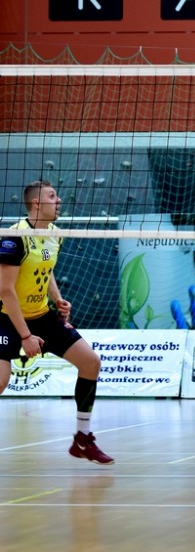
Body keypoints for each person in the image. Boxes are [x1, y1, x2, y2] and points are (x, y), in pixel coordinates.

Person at [0, 180, 113, 464]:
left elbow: (46, 268)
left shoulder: (55, 234)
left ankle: (82, 439)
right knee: (1, 380)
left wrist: (58, 299)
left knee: (90, 362)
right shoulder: (14, 237)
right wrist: (25, 336)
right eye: (53, 196)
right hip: (6, 316)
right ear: (36, 203)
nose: (59, 200)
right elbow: (5, 290)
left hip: (41, 314)